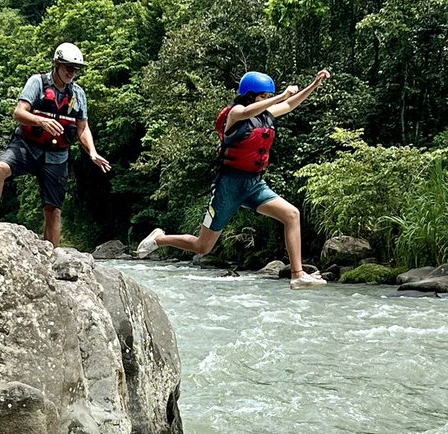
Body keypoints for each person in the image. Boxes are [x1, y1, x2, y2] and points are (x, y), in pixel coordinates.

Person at [136, 69, 330, 289]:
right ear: (250, 95)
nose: (267, 101)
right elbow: (249, 110)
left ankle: (297, 274)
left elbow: (291, 104)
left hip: (254, 184)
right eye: (263, 97)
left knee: (292, 214)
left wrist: (314, 85)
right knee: (203, 247)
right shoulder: (236, 113)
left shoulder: (266, 115)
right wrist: (282, 95)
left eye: (268, 97)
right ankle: (160, 239)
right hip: (229, 186)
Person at [0, 42, 111, 245]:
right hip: (26, 146)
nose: (71, 73)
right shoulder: (37, 83)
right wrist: (41, 120)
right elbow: (19, 112)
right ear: (56, 64)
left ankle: (52, 257)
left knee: (53, 209)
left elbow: (82, 128)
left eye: (75, 69)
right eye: (68, 67)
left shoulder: (78, 94)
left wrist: (92, 152)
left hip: (57, 155)